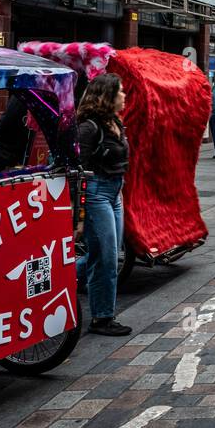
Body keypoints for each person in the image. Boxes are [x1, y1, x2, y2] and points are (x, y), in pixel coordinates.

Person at [75, 73, 132, 337]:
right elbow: (77, 170)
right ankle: (102, 318)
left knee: (104, 255)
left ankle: (63, 274)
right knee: (107, 259)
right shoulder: (89, 127)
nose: (124, 96)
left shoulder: (114, 122)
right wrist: (80, 215)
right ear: (106, 96)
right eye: (120, 92)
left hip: (114, 193)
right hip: (96, 193)